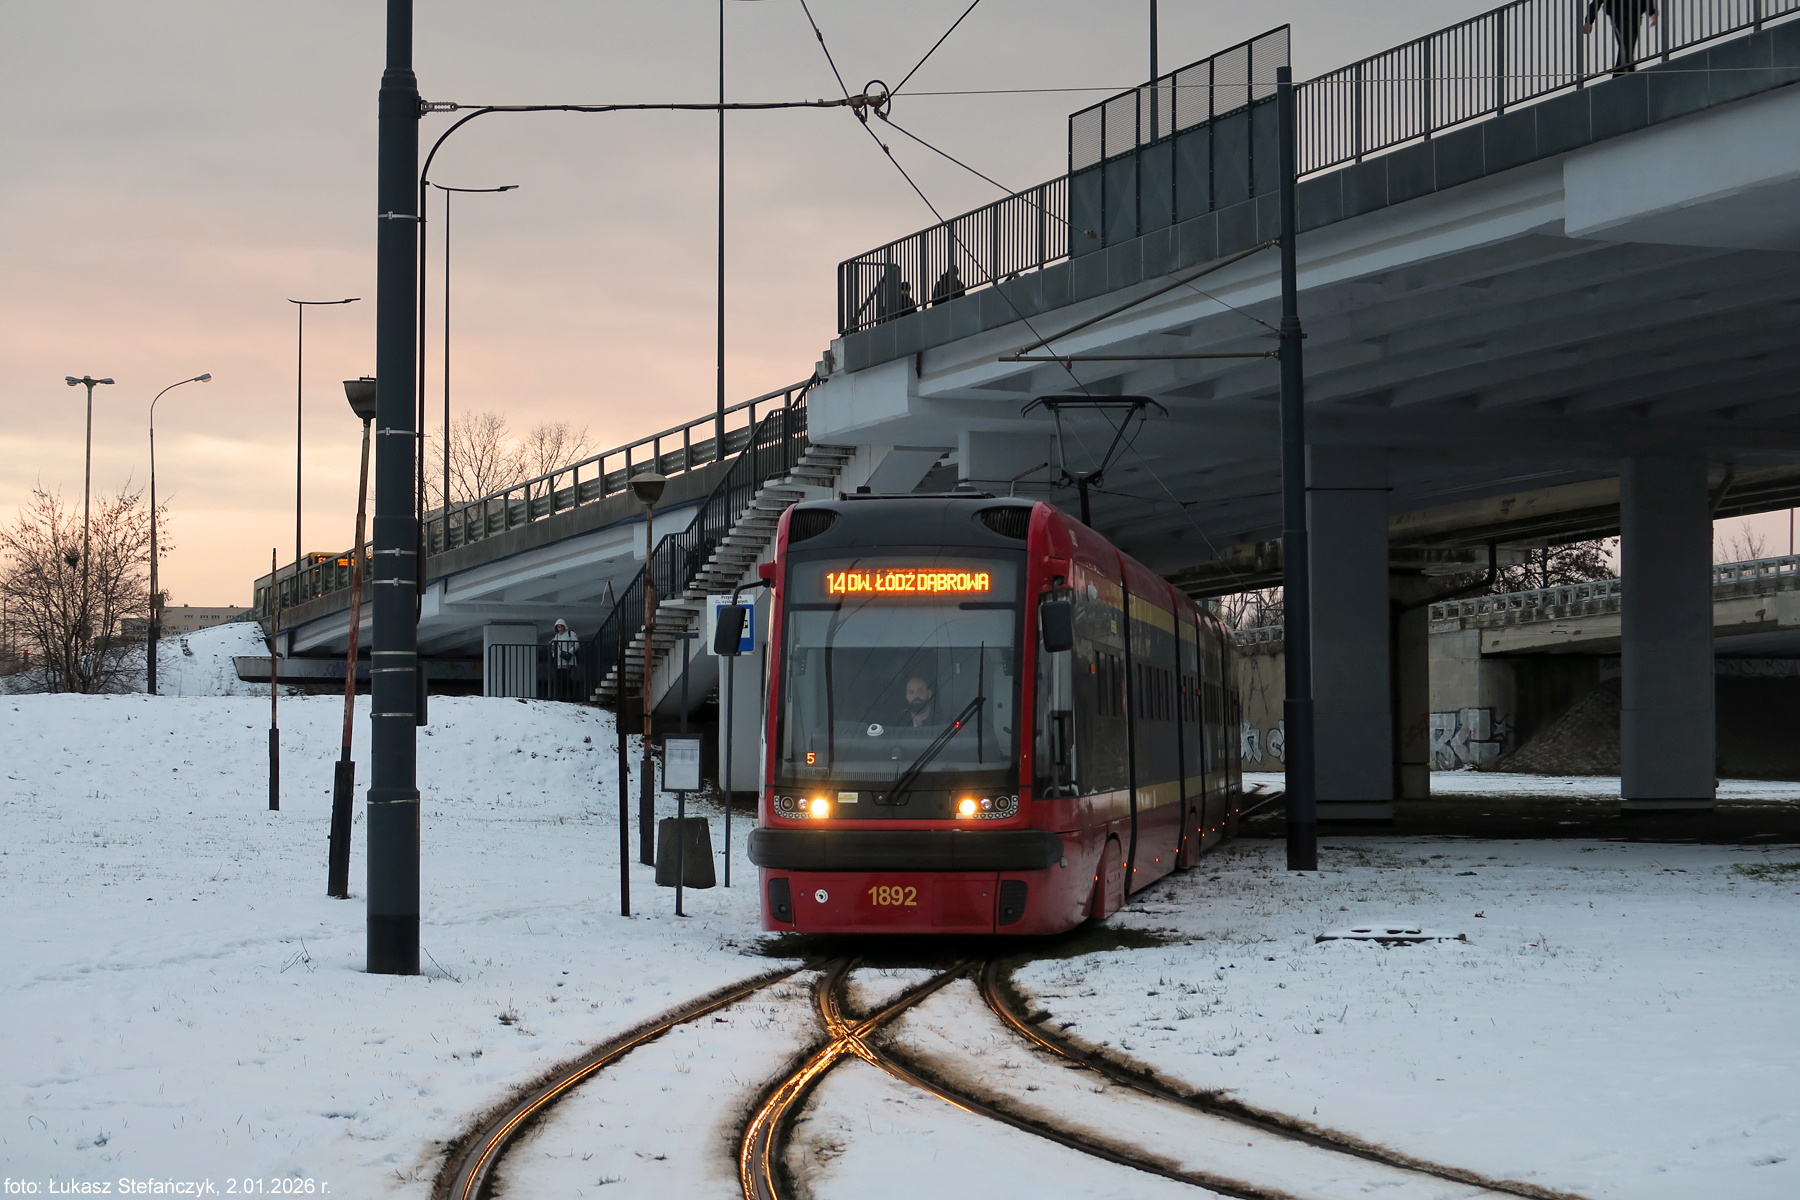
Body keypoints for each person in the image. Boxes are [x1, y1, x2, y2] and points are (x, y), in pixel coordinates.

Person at [1585, 0, 1657, 76]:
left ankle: (1617, 76)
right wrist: (1589, 21)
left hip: (1635, 17)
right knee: (1627, 46)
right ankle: (1631, 74)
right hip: (1619, 17)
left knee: (1627, 48)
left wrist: (1652, 12)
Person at [551, 618, 580, 700]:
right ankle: (564, 695)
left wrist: (569, 652)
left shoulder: (571, 634)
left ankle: (569, 695)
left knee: (565, 677)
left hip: (568, 660)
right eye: (558, 627)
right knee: (561, 678)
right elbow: (554, 648)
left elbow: (576, 645)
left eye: (561, 627)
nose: (560, 629)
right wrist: (554, 654)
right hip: (559, 661)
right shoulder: (556, 636)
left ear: (564, 626)